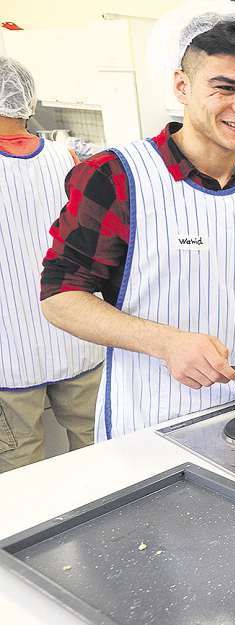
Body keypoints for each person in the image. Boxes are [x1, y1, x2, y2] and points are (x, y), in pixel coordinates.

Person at [39, 3, 235, 441]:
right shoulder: (116, 177)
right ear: (181, 86)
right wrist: (167, 343)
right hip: (154, 418)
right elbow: (60, 297)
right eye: (225, 87)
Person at [0, 57, 104, 472]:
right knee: (102, 453)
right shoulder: (70, 158)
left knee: (22, 472)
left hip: (9, 355)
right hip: (79, 336)